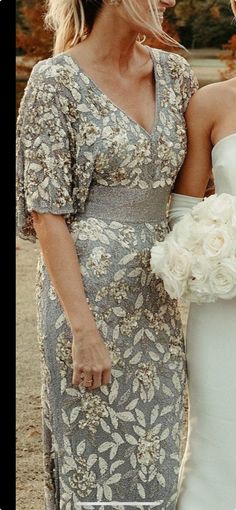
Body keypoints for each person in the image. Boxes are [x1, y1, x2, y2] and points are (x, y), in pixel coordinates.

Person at [16, 0, 199, 508]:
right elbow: (47, 213)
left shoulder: (176, 74)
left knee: (156, 460)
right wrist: (83, 330)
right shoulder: (54, 81)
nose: (169, 1)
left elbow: (191, 190)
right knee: (94, 468)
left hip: (155, 304)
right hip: (86, 303)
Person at [168, 2, 236, 509]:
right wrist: (210, 256)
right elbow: (185, 210)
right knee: (219, 429)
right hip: (223, 305)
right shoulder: (212, 101)